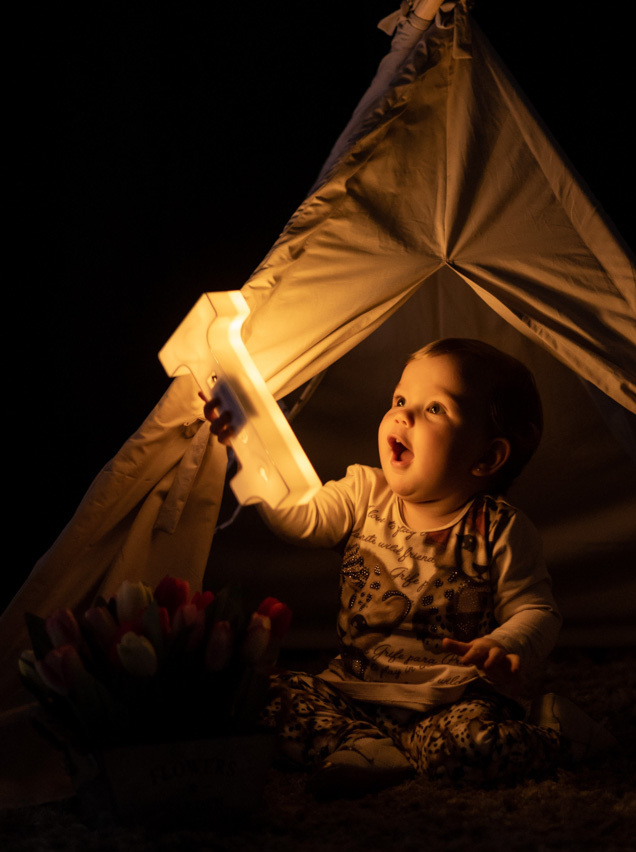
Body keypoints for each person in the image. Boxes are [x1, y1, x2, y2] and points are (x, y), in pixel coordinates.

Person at [205, 337, 612, 793]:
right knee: (259, 699)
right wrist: (245, 446)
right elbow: (301, 518)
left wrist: (504, 643)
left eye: (435, 408)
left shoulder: (499, 529)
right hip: (352, 691)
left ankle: (557, 732)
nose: (403, 414)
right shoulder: (363, 492)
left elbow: (538, 610)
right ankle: (364, 746)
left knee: (470, 749)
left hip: (448, 702)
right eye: (400, 400)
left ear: (487, 457)